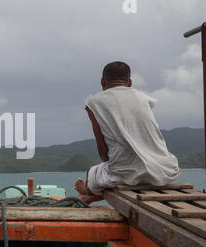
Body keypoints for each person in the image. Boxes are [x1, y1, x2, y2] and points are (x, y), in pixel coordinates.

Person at [74, 61, 180, 204]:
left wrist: (105, 167)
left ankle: (89, 192)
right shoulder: (145, 99)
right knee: (119, 172)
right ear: (129, 83)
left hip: (128, 173)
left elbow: (103, 151)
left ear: (102, 81)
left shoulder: (94, 103)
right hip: (164, 170)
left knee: (91, 171)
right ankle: (91, 193)